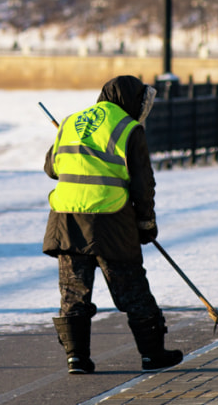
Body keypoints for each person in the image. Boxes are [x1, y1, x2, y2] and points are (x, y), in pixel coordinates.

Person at [42, 74, 182, 374]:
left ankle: (76, 358)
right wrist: (146, 224)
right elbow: (143, 183)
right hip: (111, 223)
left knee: (73, 292)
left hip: (67, 221)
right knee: (132, 289)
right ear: (131, 100)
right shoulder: (129, 128)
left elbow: (51, 168)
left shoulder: (70, 122)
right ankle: (152, 354)